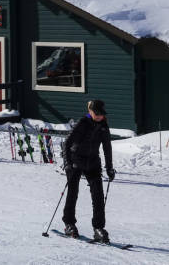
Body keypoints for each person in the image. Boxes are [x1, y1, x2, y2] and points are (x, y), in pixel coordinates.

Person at [62, 99, 116, 243]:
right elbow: (67, 143)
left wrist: (109, 167)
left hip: (92, 162)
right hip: (75, 160)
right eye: (96, 113)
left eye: (101, 114)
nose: (99, 116)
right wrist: (67, 163)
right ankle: (69, 224)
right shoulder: (83, 123)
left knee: (98, 195)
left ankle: (98, 228)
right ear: (90, 112)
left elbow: (107, 147)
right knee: (73, 192)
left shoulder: (103, 125)